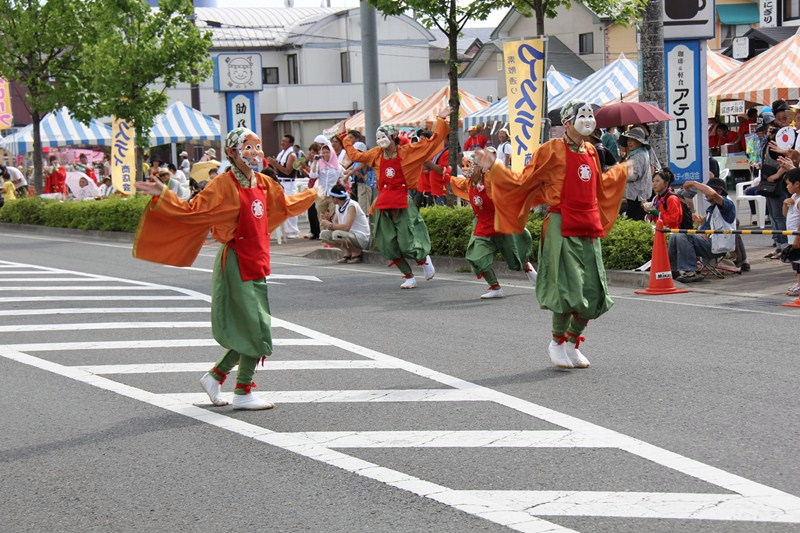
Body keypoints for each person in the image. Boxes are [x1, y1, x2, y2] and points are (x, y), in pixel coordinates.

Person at [134, 127, 317, 411]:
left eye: (257, 147)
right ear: (232, 153)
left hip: (257, 259)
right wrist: (164, 193)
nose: (255, 153)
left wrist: (313, 192)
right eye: (248, 147)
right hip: (235, 260)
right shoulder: (223, 183)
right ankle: (242, 390)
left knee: (252, 327)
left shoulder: (264, 182)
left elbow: (284, 204)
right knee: (256, 328)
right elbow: (194, 210)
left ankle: (217, 375)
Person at [473, 100, 632, 369]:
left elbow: (597, 187)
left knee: (593, 290)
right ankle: (557, 341)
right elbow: (524, 179)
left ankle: (572, 342)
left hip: (588, 225)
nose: (588, 119)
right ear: (567, 122)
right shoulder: (551, 150)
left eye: (590, 115)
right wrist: (496, 167)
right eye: (582, 115)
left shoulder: (592, 150)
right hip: (561, 224)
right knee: (566, 289)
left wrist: (618, 173)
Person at [340, 111, 449, 289]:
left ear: (394, 136)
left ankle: (423, 260)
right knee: (386, 244)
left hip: (403, 200)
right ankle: (408, 276)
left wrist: (441, 120)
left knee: (407, 243)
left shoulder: (408, 151)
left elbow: (432, 143)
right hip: (383, 201)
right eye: (379, 136)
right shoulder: (375, 154)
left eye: (385, 136)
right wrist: (346, 138)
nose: (382, 140)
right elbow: (355, 156)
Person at [450, 152, 537, 299]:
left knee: (516, 256)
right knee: (475, 257)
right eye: (466, 165)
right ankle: (495, 287)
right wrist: (443, 174)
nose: (468, 169)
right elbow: (455, 182)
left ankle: (528, 269)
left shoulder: (491, 180)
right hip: (483, 225)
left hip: (501, 223)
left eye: (472, 165)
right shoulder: (470, 182)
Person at [669, 178, 737, 283]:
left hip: (717, 245)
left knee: (682, 235)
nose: (705, 195)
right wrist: (700, 222)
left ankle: (690, 272)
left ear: (719, 191)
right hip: (708, 242)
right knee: (675, 235)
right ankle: (673, 271)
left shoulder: (727, 204)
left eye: (706, 192)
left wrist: (694, 183)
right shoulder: (713, 208)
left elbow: (713, 195)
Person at [320, 184, 370, 263]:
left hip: (360, 237)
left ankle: (357, 253)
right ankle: (347, 253)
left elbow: (347, 227)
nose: (330, 199)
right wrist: (328, 220)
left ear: (335, 198)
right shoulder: (338, 206)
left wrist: (330, 225)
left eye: (331, 197)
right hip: (349, 235)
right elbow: (335, 223)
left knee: (337, 234)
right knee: (324, 235)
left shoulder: (352, 205)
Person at [268, 134, 301, 239]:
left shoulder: (292, 155)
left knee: (289, 205)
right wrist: (273, 164)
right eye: (282, 141)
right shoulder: (282, 153)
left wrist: (275, 164)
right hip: (281, 182)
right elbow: (279, 169)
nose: (282, 143)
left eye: (285, 141)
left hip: (289, 182)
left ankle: (293, 231)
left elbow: (287, 171)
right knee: (281, 206)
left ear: (290, 143)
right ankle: (286, 230)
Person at [619, 126, 652, 221]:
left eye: (632, 140)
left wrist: (620, 174)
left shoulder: (638, 155)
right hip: (638, 193)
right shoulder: (640, 153)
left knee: (635, 219)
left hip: (637, 195)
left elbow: (634, 176)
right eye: (628, 140)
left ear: (639, 142)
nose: (629, 142)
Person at [312, 134, 342, 223]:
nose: (325, 154)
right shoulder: (319, 165)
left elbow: (345, 178)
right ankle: (324, 235)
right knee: (321, 217)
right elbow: (313, 175)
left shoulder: (338, 166)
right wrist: (315, 162)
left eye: (327, 152)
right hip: (321, 195)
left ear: (331, 153)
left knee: (333, 216)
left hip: (333, 195)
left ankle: (333, 234)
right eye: (323, 152)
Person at [780, 169, 800, 295]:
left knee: (799, 263)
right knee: (796, 263)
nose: (787, 186)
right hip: (791, 236)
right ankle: (798, 283)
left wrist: (798, 238)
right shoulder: (793, 197)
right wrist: (785, 204)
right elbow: (785, 214)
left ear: (797, 184)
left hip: (797, 236)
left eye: (788, 184)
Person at [347, 141, 377, 216]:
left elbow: (354, 171)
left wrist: (352, 173)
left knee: (364, 208)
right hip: (360, 185)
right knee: (362, 207)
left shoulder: (363, 161)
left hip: (365, 186)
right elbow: (347, 171)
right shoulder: (357, 162)